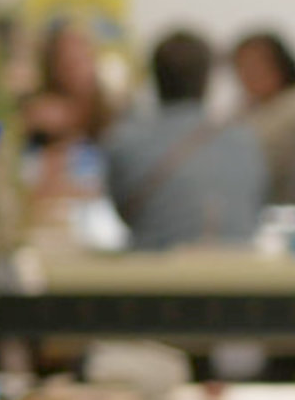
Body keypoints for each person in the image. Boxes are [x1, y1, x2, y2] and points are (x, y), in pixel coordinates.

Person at [105, 27, 266, 250]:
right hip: (238, 266)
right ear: (206, 78)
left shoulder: (125, 142)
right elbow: (256, 207)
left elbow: (122, 212)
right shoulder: (244, 141)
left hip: (153, 266)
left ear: (154, 76)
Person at [23, 18, 116, 150]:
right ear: (54, 69)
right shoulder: (42, 111)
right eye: (69, 62)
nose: (79, 70)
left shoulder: (111, 111)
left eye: (83, 58)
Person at [233, 26, 295, 204]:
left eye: (255, 65)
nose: (248, 74)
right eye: (241, 67)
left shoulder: (290, 107)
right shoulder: (246, 109)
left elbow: (251, 156)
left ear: (279, 64)